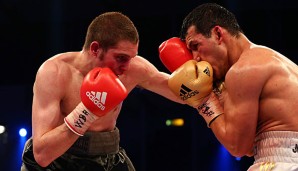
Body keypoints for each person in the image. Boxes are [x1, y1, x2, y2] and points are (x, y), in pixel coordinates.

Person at [21, 11, 185, 171]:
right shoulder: (55, 73)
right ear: (95, 49)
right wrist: (87, 111)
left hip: (107, 156)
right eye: (120, 57)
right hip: (58, 159)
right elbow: (42, 154)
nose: (127, 67)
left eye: (131, 57)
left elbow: (182, 94)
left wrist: (199, 76)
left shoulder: (133, 68)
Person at [159, 3, 298, 171]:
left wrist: (204, 101)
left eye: (196, 46)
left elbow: (237, 146)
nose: (195, 58)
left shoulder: (244, 69)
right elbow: (247, 148)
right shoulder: (268, 58)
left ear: (218, 34)